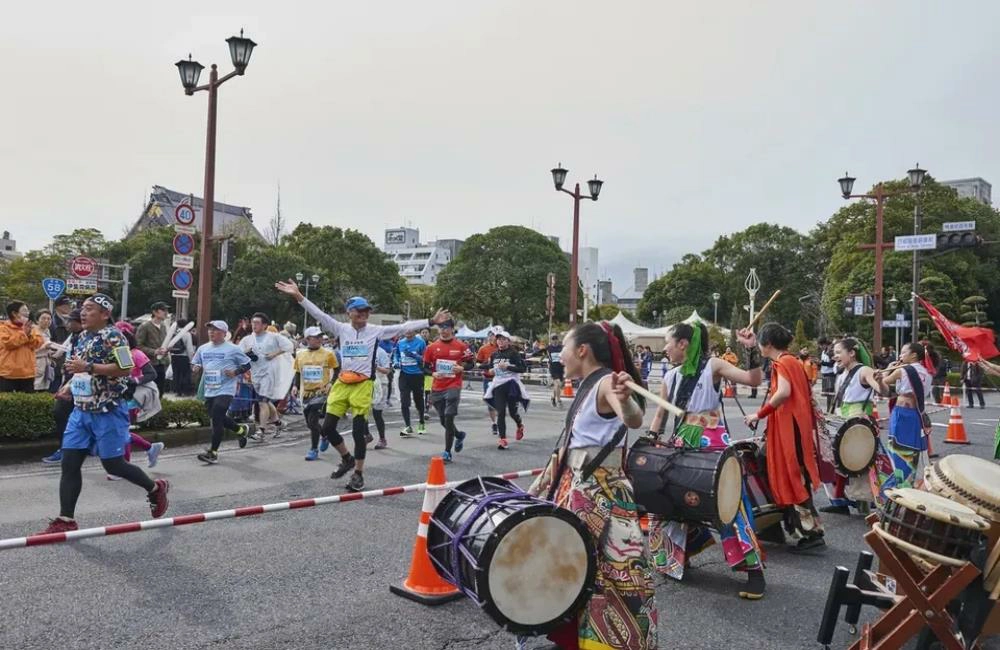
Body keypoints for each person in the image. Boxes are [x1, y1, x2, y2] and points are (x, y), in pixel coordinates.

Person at [524, 321, 657, 650]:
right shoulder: (586, 386)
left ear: (582, 350)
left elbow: (633, 419)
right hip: (578, 489)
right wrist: (539, 487)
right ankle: (570, 640)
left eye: (564, 349)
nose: (561, 356)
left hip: (603, 495)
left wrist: (626, 400)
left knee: (612, 578)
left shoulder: (604, 385)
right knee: (575, 571)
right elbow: (568, 448)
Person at [276, 279, 451, 491]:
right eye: (359, 311)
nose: (364, 315)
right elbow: (319, 315)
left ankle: (358, 473)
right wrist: (298, 295)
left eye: (366, 312)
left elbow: (403, 326)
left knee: (359, 432)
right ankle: (346, 458)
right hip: (342, 383)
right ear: (349, 312)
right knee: (327, 428)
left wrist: (430, 321)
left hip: (362, 385)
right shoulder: (340, 328)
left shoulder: (375, 331)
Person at [647, 321, 767, 599]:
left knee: (728, 506)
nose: (664, 348)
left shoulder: (713, 366)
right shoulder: (670, 377)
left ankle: (755, 572)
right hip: (680, 443)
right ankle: (677, 557)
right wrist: (652, 439)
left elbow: (753, 380)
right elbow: (660, 415)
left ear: (683, 344)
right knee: (671, 502)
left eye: (668, 342)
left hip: (711, 445)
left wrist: (750, 350)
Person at [36, 294, 169, 535]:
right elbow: (78, 369)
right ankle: (66, 519)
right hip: (81, 410)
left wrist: (88, 367)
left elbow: (126, 368)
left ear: (105, 314)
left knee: (113, 465)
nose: (83, 313)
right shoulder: (81, 337)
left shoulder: (114, 336)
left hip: (108, 409)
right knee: (70, 462)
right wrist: (69, 386)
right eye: (82, 309)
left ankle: (155, 488)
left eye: (89, 309)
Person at [744, 323, 825, 550]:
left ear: (768, 344)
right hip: (794, 428)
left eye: (760, 342)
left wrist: (758, 414)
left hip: (791, 430)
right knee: (791, 474)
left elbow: (783, 393)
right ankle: (793, 525)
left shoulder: (783, 363)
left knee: (792, 477)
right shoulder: (792, 361)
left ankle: (808, 530)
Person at [819, 337, 881, 515]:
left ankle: (866, 503)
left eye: (839, 352)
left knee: (859, 463)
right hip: (842, 418)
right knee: (832, 460)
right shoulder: (842, 372)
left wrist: (881, 382)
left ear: (852, 353)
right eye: (834, 353)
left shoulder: (864, 370)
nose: (835, 356)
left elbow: (880, 389)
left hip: (858, 421)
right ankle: (839, 501)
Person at [870, 341, 933, 502]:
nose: (900, 355)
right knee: (910, 452)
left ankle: (888, 493)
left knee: (897, 451)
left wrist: (890, 367)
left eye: (904, 352)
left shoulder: (903, 370)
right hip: (916, 415)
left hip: (902, 414)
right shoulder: (926, 373)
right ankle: (905, 489)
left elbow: (885, 382)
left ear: (913, 355)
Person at [191, 321, 254, 464]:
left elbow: (247, 364)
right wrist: (195, 367)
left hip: (226, 389)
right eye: (210, 330)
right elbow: (196, 362)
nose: (212, 332)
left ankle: (213, 453)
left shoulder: (233, 349)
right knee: (216, 416)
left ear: (225, 334)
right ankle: (240, 430)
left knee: (217, 416)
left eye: (216, 330)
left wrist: (235, 372)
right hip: (210, 388)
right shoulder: (203, 348)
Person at [423, 320, 472, 462]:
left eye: (447, 328)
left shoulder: (461, 346)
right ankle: (459, 435)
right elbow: (425, 367)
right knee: (444, 421)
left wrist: (462, 368)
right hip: (438, 386)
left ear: (452, 329)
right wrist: (432, 374)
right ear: (438, 330)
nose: (444, 330)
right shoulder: (432, 348)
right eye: (441, 328)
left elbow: (471, 362)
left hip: (453, 385)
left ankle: (447, 452)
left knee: (449, 416)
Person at [240, 312, 294, 438]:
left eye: (257, 323)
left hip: (270, 373)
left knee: (262, 402)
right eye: (253, 323)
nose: (254, 325)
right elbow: (239, 351)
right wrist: (246, 354)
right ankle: (278, 423)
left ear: (265, 325)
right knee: (264, 401)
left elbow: (290, 346)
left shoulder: (273, 337)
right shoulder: (248, 339)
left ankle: (261, 430)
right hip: (256, 373)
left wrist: (275, 353)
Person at [42, 309, 84, 465]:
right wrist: (48, 348)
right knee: (64, 415)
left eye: (70, 321)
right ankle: (69, 449)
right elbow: (59, 353)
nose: (67, 324)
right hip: (69, 381)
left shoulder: (87, 338)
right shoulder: (72, 337)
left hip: (79, 384)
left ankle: (66, 450)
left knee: (63, 414)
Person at [295, 326, 340, 460]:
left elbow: (337, 370)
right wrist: (295, 386)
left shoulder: (328, 353)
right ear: (307, 339)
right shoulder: (300, 354)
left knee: (313, 421)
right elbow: (297, 372)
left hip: (321, 392)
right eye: (316, 337)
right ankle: (324, 435)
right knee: (309, 423)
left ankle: (313, 450)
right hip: (306, 393)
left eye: (321, 336)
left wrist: (331, 382)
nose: (320, 339)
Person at [481, 331, 529, 449]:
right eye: (498, 339)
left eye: (503, 339)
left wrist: (508, 366)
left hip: (511, 384)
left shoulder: (513, 353)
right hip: (498, 385)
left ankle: (520, 425)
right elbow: (491, 367)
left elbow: (523, 368)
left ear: (508, 341)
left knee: (513, 412)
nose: (500, 342)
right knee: (501, 412)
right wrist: (489, 370)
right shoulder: (494, 355)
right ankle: (503, 439)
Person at [1, 301, 45, 393]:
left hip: (28, 373)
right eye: (24, 310)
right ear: (14, 313)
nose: (28, 313)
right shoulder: (3, 328)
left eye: (28, 310)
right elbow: (8, 343)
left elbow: (38, 343)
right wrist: (24, 334)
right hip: (8, 374)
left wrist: (29, 335)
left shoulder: (31, 327)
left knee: (27, 403)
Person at [394, 328, 427, 436]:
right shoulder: (400, 342)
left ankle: (421, 422)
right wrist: (396, 362)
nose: (407, 332)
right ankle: (408, 426)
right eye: (406, 330)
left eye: (410, 330)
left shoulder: (420, 342)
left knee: (418, 401)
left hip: (417, 375)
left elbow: (425, 358)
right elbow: (397, 355)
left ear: (414, 331)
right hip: (404, 375)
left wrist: (414, 356)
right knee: (404, 401)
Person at [135, 301, 171, 395]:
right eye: (163, 310)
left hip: (161, 363)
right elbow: (138, 346)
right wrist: (154, 351)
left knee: (160, 391)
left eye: (166, 310)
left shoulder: (163, 326)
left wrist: (166, 350)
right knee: (150, 392)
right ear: (155, 312)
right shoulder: (145, 326)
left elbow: (164, 344)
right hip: (149, 364)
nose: (166, 312)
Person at [475, 327, 501, 435]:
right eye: (491, 335)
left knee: (501, 401)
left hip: (501, 378)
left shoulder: (503, 348)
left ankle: (500, 422)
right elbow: (477, 362)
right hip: (488, 378)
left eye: (495, 335)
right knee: (490, 402)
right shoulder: (483, 349)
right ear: (489, 337)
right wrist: (484, 366)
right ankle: (494, 423)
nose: (493, 337)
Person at [369, 344, 393, 450]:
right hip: (365, 384)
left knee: (377, 413)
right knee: (361, 411)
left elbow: (387, 370)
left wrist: (376, 367)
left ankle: (382, 439)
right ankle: (367, 435)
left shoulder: (381, 352)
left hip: (380, 385)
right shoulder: (363, 350)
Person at [169, 318, 196, 396]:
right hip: (184, 356)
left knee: (176, 374)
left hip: (174, 356)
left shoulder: (173, 333)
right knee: (185, 374)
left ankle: (178, 391)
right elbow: (189, 348)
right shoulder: (187, 334)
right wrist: (192, 360)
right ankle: (185, 391)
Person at [33, 309, 57, 392]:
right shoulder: (33, 332)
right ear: (37, 320)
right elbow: (29, 351)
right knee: (36, 387)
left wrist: (51, 352)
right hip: (36, 363)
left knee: (45, 387)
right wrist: (44, 347)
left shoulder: (47, 332)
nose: (46, 321)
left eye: (49, 319)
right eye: (43, 318)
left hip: (46, 363)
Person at [818, 338, 837, 413]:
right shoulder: (823, 352)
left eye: (821, 345)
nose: (820, 347)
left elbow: (831, 364)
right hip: (825, 374)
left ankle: (830, 410)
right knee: (827, 393)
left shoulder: (831, 353)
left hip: (830, 374)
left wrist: (821, 362)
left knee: (831, 394)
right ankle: (828, 409)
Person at [546, 333, 565, 408]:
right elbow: (546, 356)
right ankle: (559, 401)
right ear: (551, 340)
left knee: (557, 385)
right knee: (558, 384)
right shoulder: (549, 348)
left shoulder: (561, 347)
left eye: (556, 339)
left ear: (558, 339)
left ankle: (553, 398)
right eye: (553, 339)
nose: (554, 341)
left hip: (560, 367)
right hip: (553, 367)